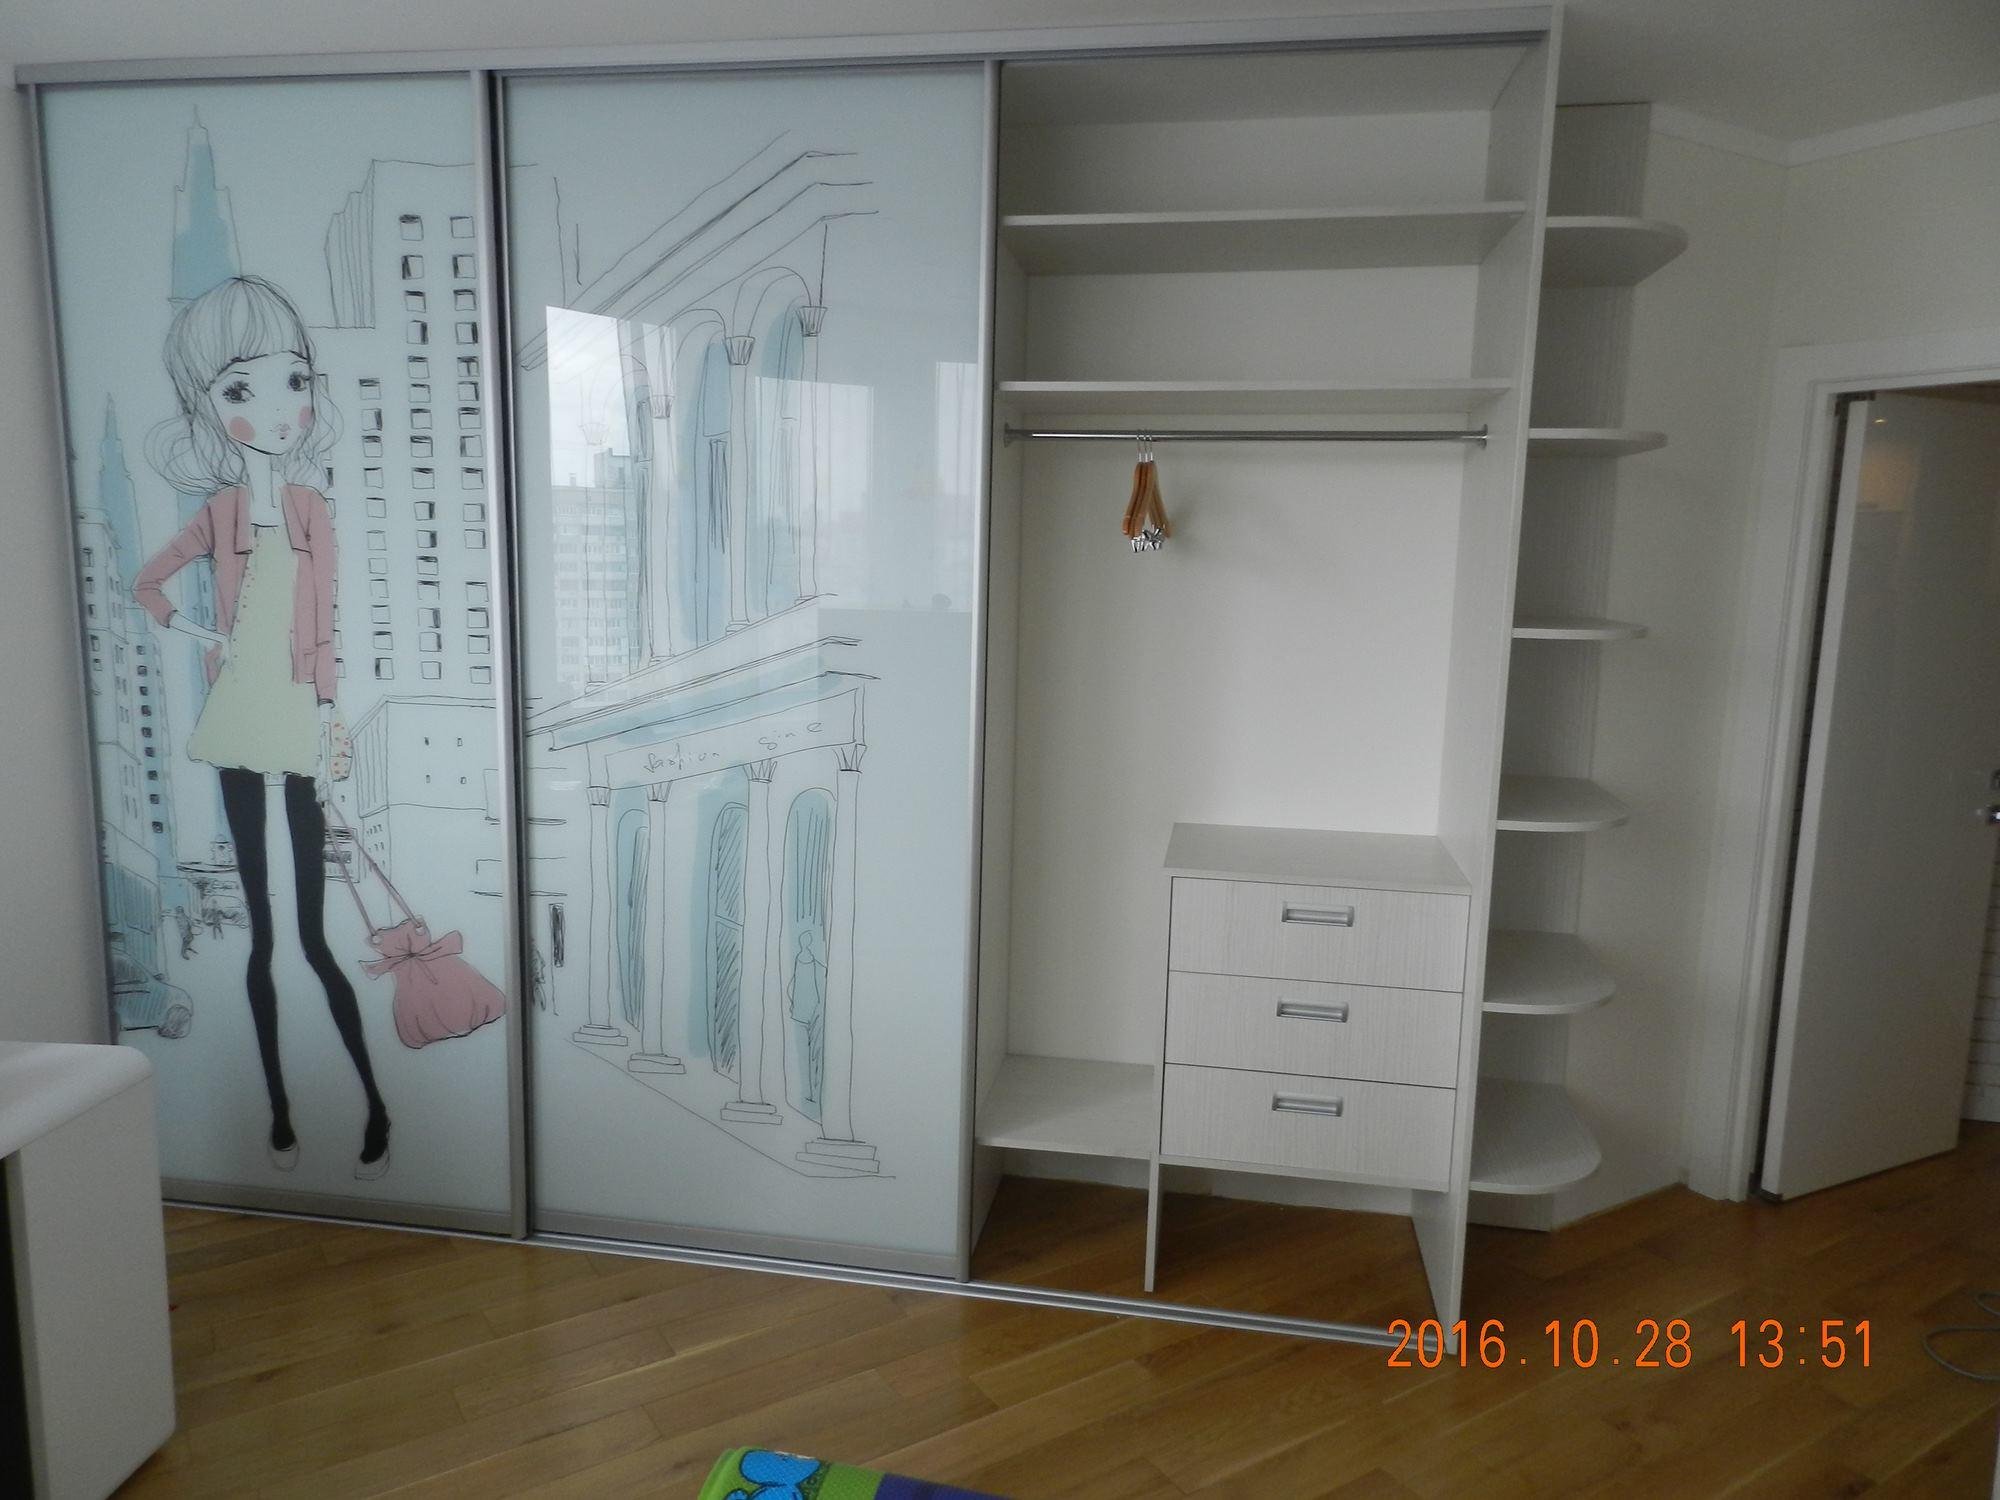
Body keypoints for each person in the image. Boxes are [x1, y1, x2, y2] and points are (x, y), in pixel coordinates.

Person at [134, 275, 391, 1181]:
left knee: (315, 939)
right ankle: (278, 1116)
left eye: (294, 380)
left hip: (298, 715)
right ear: (208, 407)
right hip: (241, 715)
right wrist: (200, 634)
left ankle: (375, 1106)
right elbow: (148, 583)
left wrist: (326, 715)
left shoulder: (313, 508)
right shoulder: (219, 513)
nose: (279, 407)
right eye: (242, 388)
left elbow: (324, 623)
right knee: (265, 940)